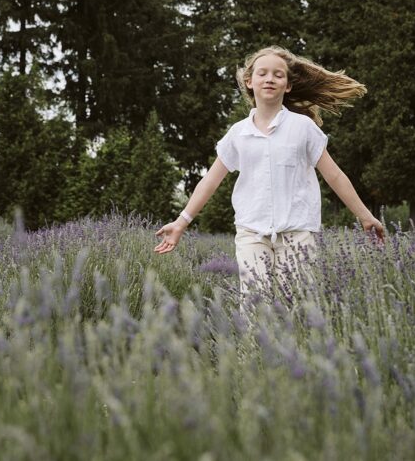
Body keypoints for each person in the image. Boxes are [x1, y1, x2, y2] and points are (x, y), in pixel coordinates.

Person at [154, 45, 385, 299]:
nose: (270, 79)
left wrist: (364, 216)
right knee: (255, 307)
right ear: (249, 81)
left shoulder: (303, 127)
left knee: (299, 309)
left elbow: (335, 175)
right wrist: (181, 222)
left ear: (287, 86)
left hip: (298, 234)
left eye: (278, 74)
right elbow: (210, 180)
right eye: (262, 73)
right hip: (252, 234)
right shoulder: (238, 134)